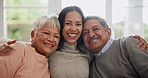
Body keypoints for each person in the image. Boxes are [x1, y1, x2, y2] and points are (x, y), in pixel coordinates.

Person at [82, 15, 148, 78]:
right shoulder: (88, 64)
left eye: (95, 29)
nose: (90, 35)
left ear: (108, 32)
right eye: (85, 32)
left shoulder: (128, 44)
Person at [48, 6, 90, 78]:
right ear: (61, 25)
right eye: (68, 23)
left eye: (78, 24)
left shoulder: (88, 52)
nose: (73, 29)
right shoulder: (50, 50)